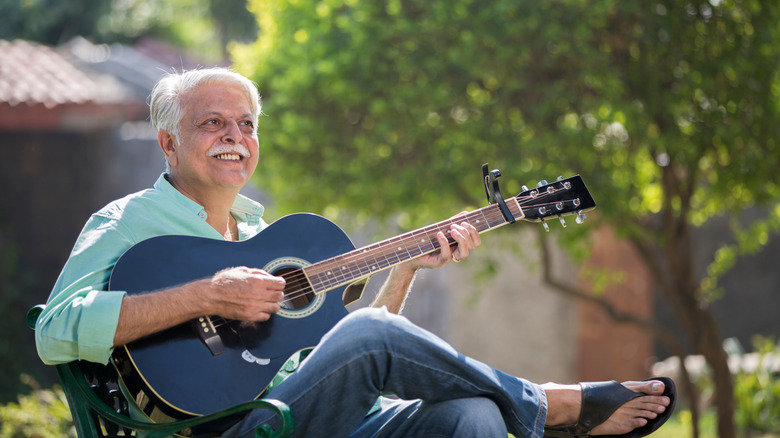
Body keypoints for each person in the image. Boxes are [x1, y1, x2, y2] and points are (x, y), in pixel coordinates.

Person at [35, 67, 673, 438]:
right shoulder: (127, 222)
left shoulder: (267, 234)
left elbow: (353, 350)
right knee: (391, 345)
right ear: (169, 145)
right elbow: (54, 332)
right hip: (230, 427)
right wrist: (206, 295)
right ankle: (553, 406)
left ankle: (528, 410)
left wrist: (405, 267)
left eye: (246, 125)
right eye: (213, 123)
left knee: (474, 417)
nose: (235, 136)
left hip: (311, 413)